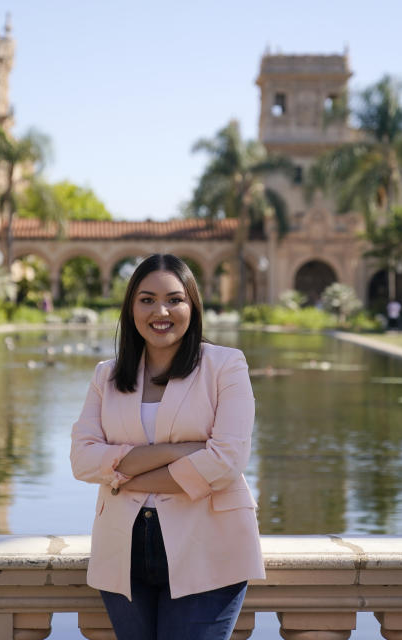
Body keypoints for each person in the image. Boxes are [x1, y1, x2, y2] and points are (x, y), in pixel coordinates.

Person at [70, 254, 264, 640]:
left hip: (210, 546)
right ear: (130, 308)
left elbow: (226, 463)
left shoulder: (226, 366)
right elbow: (81, 460)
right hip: (122, 552)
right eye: (147, 299)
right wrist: (180, 451)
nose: (161, 311)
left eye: (175, 299)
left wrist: (121, 477)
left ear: (192, 305)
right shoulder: (106, 376)